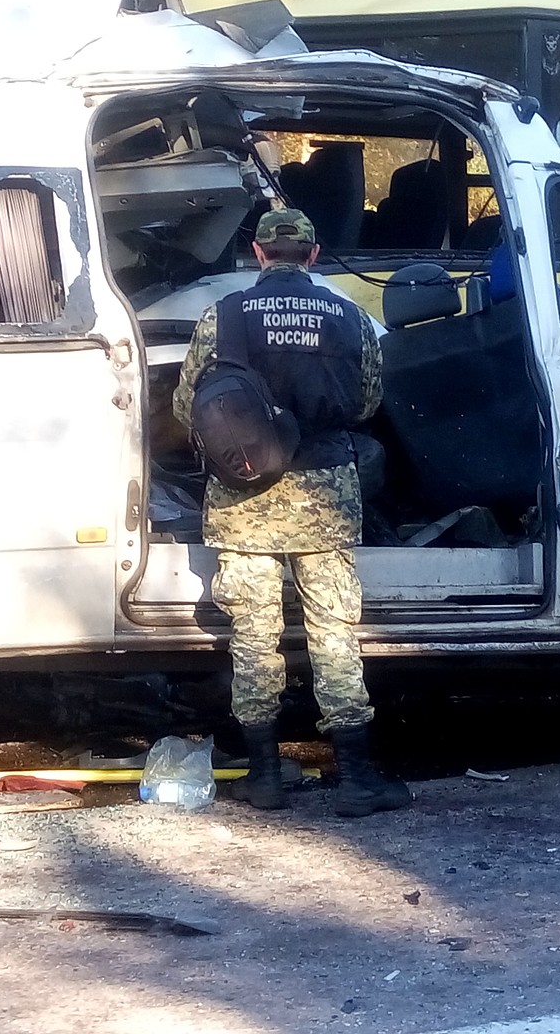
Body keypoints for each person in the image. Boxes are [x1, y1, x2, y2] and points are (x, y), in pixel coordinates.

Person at [173, 208, 412, 818]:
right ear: (312, 254)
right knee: (334, 633)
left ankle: (265, 777)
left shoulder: (222, 317)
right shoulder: (350, 317)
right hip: (323, 494)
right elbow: (366, 403)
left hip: (244, 497)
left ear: (257, 253)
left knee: (254, 639)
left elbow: (186, 405)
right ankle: (357, 779)